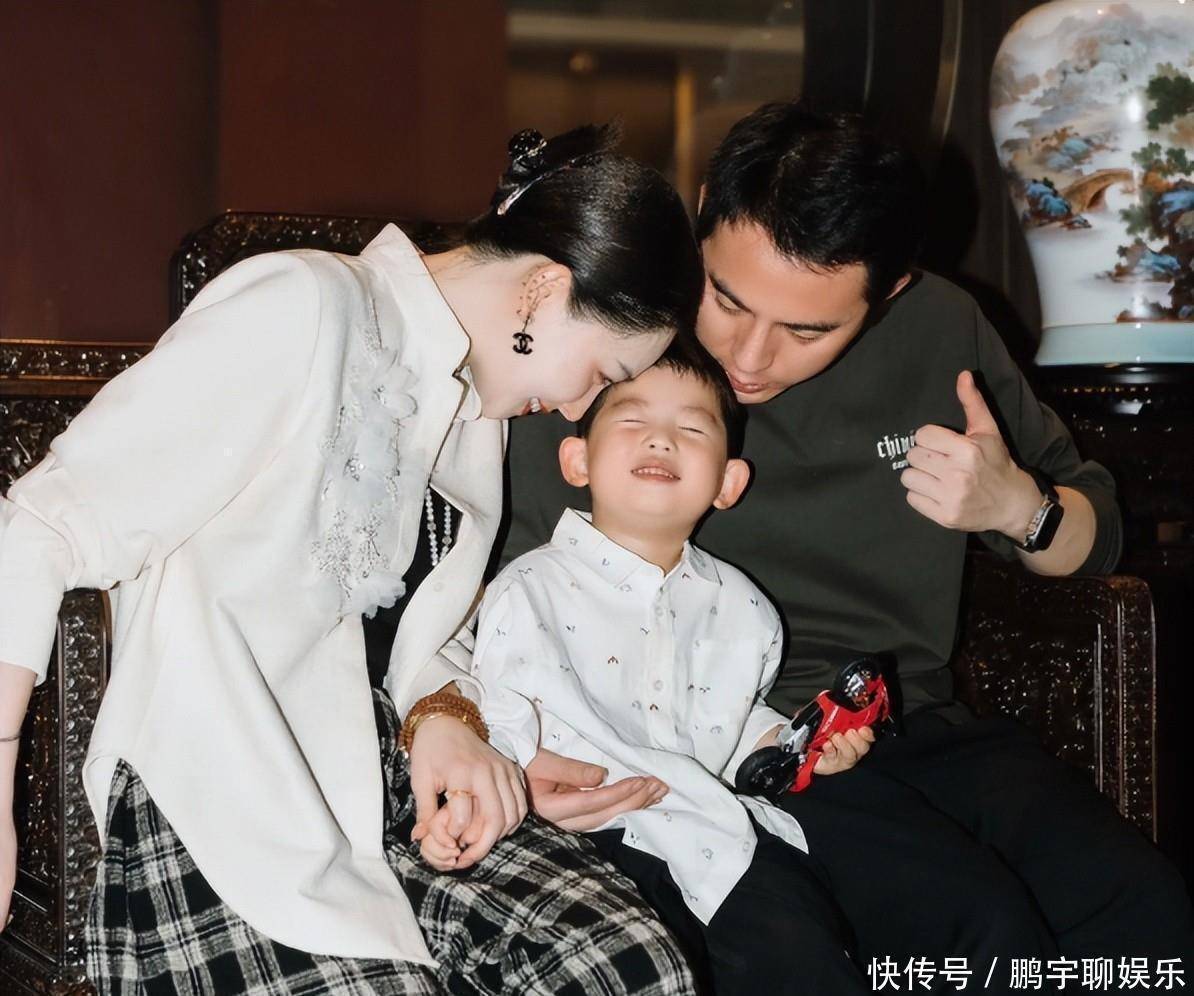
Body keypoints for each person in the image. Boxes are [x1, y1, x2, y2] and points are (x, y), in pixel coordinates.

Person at [502, 104, 1194, 990]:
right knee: (981, 933)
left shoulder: (941, 330)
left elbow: (1095, 535)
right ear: (704, 210)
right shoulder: (609, 327)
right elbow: (492, 592)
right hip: (714, 744)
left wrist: (1020, 508)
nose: (749, 358)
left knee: (1140, 914)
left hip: (913, 725)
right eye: (727, 299)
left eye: (807, 331)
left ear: (892, 290)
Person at [0, 124, 704, 995]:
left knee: (633, 969)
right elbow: (41, 526)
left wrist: (448, 724)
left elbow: (409, 632)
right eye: (600, 371)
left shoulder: (474, 410)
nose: (574, 408)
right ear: (543, 290)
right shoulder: (302, 306)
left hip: (390, 793)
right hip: (228, 794)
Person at [465, 341, 875, 993]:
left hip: (715, 833)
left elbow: (730, 723)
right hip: (583, 836)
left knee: (803, 942)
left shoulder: (744, 608)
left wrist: (795, 745)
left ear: (728, 482)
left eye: (691, 428)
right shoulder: (528, 588)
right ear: (577, 459)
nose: (660, 439)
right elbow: (495, 712)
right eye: (632, 419)